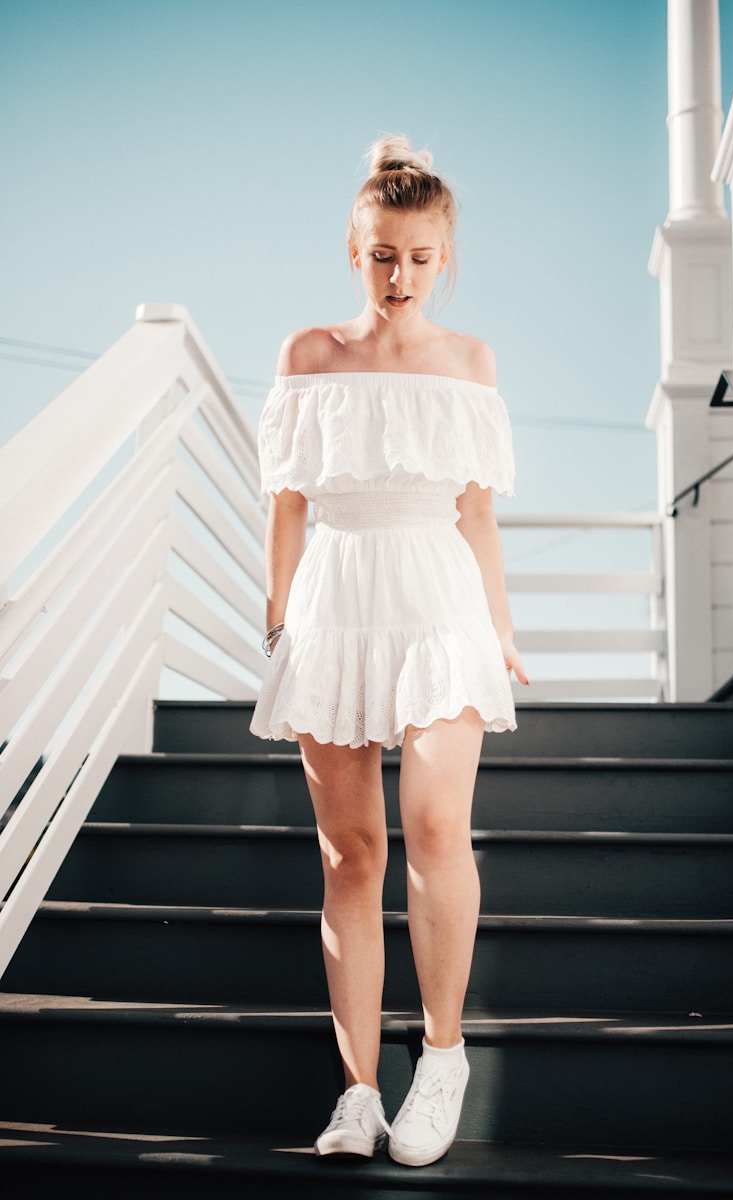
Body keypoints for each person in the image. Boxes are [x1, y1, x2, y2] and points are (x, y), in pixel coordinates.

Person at [250, 134, 528, 1168]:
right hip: (334, 595)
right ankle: (359, 1091)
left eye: (418, 256)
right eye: (381, 256)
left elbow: (478, 517)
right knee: (352, 854)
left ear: (444, 255)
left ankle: (443, 1056)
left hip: (437, 597)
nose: (400, 276)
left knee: (434, 822)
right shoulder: (306, 356)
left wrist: (500, 631)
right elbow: (284, 507)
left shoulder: (471, 364)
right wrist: (277, 626)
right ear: (353, 251)